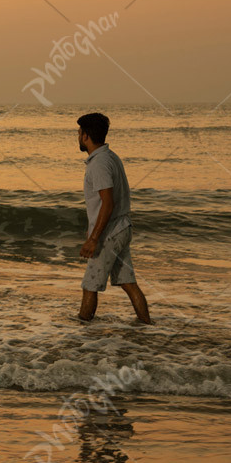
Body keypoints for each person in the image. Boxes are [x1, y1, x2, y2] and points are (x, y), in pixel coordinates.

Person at [76, 112, 151, 324]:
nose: (78, 136)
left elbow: (107, 203)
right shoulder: (111, 157)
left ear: (86, 136)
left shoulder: (99, 163)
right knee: (128, 283)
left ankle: (83, 332)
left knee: (90, 285)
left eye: (79, 132)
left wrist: (93, 239)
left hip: (109, 232)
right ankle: (147, 326)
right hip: (122, 228)